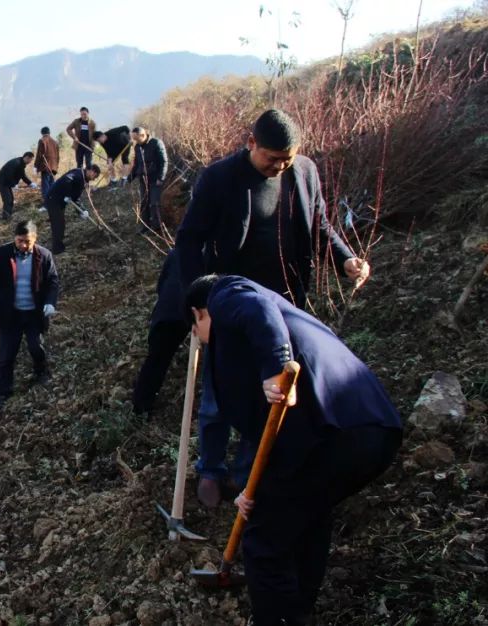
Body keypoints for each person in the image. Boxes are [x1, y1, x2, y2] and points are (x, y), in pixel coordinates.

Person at [175, 109, 372, 507]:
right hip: (228, 306)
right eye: (272, 159)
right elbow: (189, 240)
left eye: (288, 158)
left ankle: (248, 472)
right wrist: (200, 302)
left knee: (271, 393)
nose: (280, 166)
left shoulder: (304, 172)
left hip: (285, 306)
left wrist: (344, 258)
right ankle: (210, 468)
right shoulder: (219, 179)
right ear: (251, 144)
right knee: (218, 393)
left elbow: (318, 225)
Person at [184, 274, 401, 626]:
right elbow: (265, 433)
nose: (201, 341)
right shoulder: (270, 327)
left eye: (195, 331)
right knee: (307, 519)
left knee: (263, 543)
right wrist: (249, 488)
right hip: (370, 432)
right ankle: (298, 611)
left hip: (332, 435)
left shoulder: (227, 294)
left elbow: (255, 309)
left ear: (199, 314)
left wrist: (276, 365)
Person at [0, 220, 61, 410]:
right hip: (10, 314)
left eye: (27, 241)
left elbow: (53, 281)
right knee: (7, 355)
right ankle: (3, 392)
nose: (23, 245)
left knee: (36, 347)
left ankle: (41, 373)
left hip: (34, 314)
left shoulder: (44, 255)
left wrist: (50, 302)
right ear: (14, 238)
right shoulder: (2, 254)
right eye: (19, 241)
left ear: (35, 238)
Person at [131, 248, 189, 414]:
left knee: (156, 359)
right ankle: (141, 406)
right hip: (180, 313)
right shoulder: (211, 255)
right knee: (158, 360)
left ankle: (141, 404)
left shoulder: (175, 252)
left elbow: (161, 284)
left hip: (166, 312)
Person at [44, 164, 101, 254]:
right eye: (95, 176)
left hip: (60, 201)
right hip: (53, 199)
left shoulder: (83, 179)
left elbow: (75, 198)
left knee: (60, 223)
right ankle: (57, 249)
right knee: (58, 224)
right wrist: (67, 194)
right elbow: (67, 180)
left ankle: (59, 246)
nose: (94, 179)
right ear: (91, 171)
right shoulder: (78, 174)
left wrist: (82, 211)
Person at [128, 127, 169, 232]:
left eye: (136, 139)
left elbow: (164, 161)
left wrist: (161, 178)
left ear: (142, 135)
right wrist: (130, 177)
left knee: (154, 203)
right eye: (134, 139)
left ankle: (157, 227)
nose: (135, 141)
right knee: (144, 203)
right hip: (143, 179)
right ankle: (145, 227)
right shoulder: (137, 147)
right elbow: (137, 164)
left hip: (155, 179)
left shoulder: (156, 143)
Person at [0, 152, 37, 220]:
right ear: (27, 157)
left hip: (7, 182)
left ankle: (8, 215)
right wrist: (14, 184)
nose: (31, 162)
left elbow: (23, 175)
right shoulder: (16, 163)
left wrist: (30, 183)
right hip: (2, 181)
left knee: (11, 199)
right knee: (7, 200)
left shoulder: (21, 163)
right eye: (30, 160)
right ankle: (5, 218)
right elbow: (9, 174)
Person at [33, 126, 60, 201]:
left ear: (42, 133)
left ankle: (46, 204)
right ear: (49, 133)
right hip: (54, 167)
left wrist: (35, 166)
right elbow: (58, 157)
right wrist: (56, 166)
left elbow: (39, 154)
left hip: (45, 166)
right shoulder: (55, 142)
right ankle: (53, 202)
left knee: (45, 186)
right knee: (52, 185)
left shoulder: (42, 140)